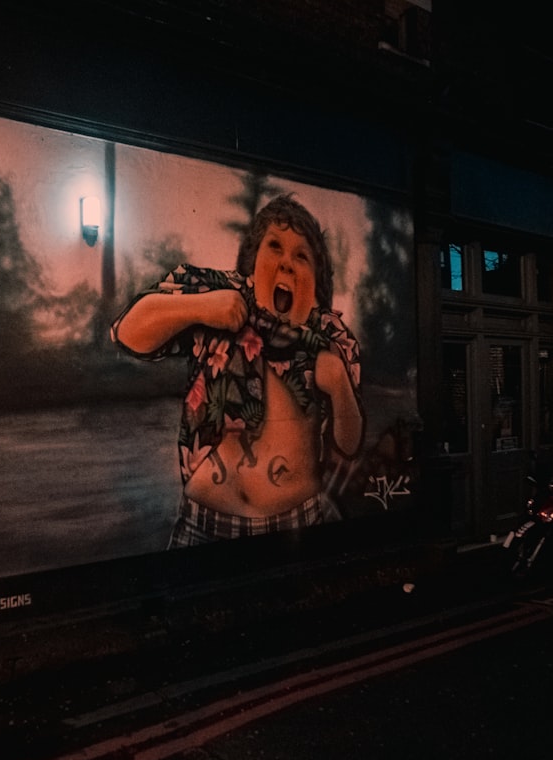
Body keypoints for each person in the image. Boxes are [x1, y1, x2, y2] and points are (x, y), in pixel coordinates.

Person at [111, 194, 364, 547]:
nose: (287, 264)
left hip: (299, 527)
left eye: (301, 256)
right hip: (204, 528)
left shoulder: (329, 336)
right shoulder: (219, 293)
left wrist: (338, 384)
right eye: (274, 247)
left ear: (316, 280)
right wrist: (200, 307)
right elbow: (127, 332)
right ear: (252, 261)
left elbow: (350, 444)